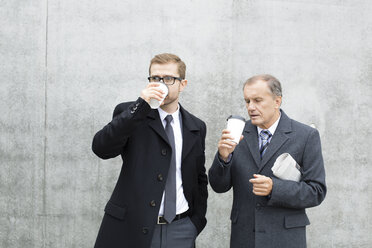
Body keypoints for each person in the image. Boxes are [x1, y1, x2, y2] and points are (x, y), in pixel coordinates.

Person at [92, 53, 208, 248]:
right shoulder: (131, 113)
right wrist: (140, 105)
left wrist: (195, 222)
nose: (160, 83)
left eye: (168, 79)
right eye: (155, 78)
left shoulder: (196, 126)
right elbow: (102, 148)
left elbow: (199, 176)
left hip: (180, 229)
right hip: (132, 227)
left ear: (183, 84)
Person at [209, 74, 326, 248]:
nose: (251, 107)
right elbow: (219, 186)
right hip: (244, 237)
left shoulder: (305, 136)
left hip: (285, 238)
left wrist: (274, 188)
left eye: (257, 100)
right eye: (247, 101)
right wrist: (223, 157)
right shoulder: (238, 133)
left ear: (277, 101)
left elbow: (316, 191)